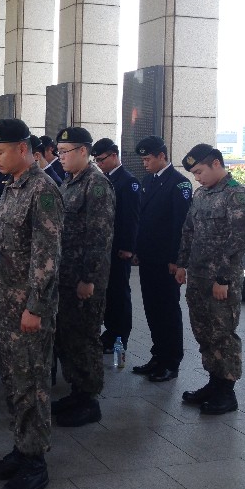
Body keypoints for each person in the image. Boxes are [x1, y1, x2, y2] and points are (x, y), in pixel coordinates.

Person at [0, 119, 63, 489]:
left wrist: (35, 307)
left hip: (27, 311)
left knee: (32, 384)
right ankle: (21, 446)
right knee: (15, 383)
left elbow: (47, 257)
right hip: (6, 306)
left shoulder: (42, 190)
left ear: (22, 148)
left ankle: (35, 463)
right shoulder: (13, 186)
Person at [175, 144, 245, 414]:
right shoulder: (201, 195)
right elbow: (188, 230)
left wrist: (223, 279)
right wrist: (182, 264)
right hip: (198, 277)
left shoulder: (236, 195)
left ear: (216, 164)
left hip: (221, 280)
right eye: (194, 174)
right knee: (203, 332)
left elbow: (240, 240)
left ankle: (226, 392)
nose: (197, 178)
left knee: (222, 334)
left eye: (200, 171)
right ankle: (214, 383)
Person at [51, 127, 115, 427]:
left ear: (83, 151)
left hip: (84, 279)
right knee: (68, 337)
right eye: (58, 152)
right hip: (65, 276)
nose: (60, 157)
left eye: (65, 152)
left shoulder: (96, 185)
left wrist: (88, 278)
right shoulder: (69, 181)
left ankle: (89, 400)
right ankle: (77, 391)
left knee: (85, 339)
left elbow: (100, 236)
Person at [133, 135, 192, 382]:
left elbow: (180, 225)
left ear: (162, 156)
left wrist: (176, 260)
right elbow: (142, 218)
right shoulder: (149, 180)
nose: (145, 163)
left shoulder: (179, 184)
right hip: (148, 257)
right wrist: (137, 249)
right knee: (152, 308)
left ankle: (171, 361)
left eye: (148, 159)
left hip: (167, 259)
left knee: (168, 310)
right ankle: (157, 355)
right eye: (143, 160)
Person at [91, 138, 140, 352]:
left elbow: (131, 217)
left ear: (114, 155)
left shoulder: (128, 181)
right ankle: (110, 332)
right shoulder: (105, 179)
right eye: (96, 161)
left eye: (102, 160)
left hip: (120, 248)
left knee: (119, 293)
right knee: (108, 292)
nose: (99, 164)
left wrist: (128, 247)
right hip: (106, 247)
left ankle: (120, 336)